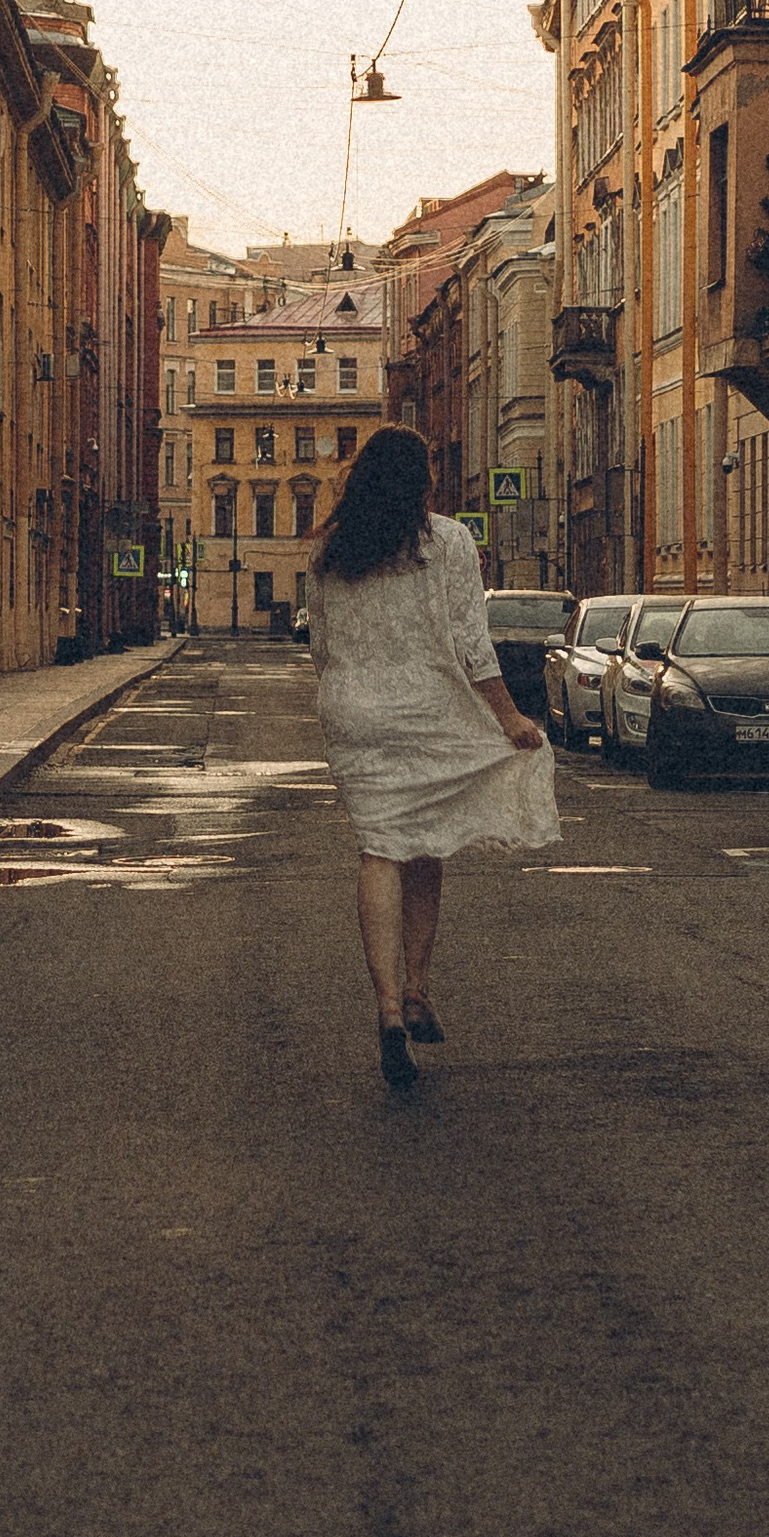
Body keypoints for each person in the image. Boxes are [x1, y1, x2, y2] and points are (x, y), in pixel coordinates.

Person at [306, 425, 559, 1091]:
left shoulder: (330, 550)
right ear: (422, 480)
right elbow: (472, 645)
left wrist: (350, 690)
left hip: (352, 706)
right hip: (427, 705)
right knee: (426, 848)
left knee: (380, 848)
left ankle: (388, 1008)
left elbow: (321, 645)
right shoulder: (447, 541)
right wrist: (508, 718)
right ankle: (416, 986)